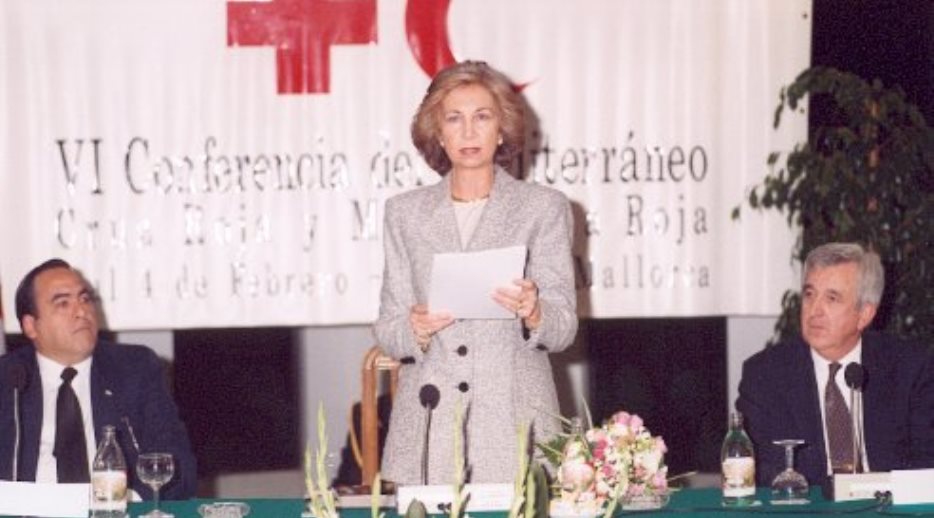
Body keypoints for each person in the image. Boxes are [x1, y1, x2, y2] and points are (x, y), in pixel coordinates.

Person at [374, 61, 578, 485]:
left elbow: (563, 330)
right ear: (438, 133)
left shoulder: (544, 208)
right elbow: (389, 329)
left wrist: (535, 312)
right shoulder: (403, 213)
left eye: (482, 117)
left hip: (515, 425)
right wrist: (417, 329)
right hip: (429, 427)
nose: (468, 132)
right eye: (454, 118)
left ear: (501, 129)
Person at [737, 242, 934, 489]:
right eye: (810, 294)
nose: (815, 311)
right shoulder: (765, 375)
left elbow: (927, 464)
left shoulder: (909, 368)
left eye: (832, 298)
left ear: (864, 314)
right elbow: (758, 469)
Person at [0, 258, 197, 499]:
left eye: (85, 299)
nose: (82, 311)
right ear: (31, 326)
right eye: (63, 303)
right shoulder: (9, 379)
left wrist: (126, 504)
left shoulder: (134, 368)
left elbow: (177, 466)